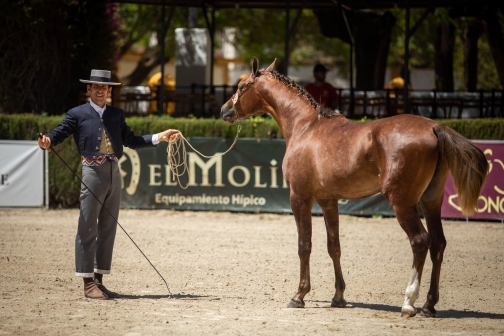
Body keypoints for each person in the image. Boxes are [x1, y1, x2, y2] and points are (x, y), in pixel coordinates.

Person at [38, 69, 180, 300]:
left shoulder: (116, 114)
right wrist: (48, 140)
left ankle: (99, 281)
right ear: (89, 89)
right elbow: (59, 132)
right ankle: (87, 283)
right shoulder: (77, 113)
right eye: (96, 87)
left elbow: (131, 140)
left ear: (109, 90)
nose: (100, 91)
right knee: (87, 225)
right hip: (92, 171)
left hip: (115, 171)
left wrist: (159, 137)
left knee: (108, 227)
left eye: (104, 87)